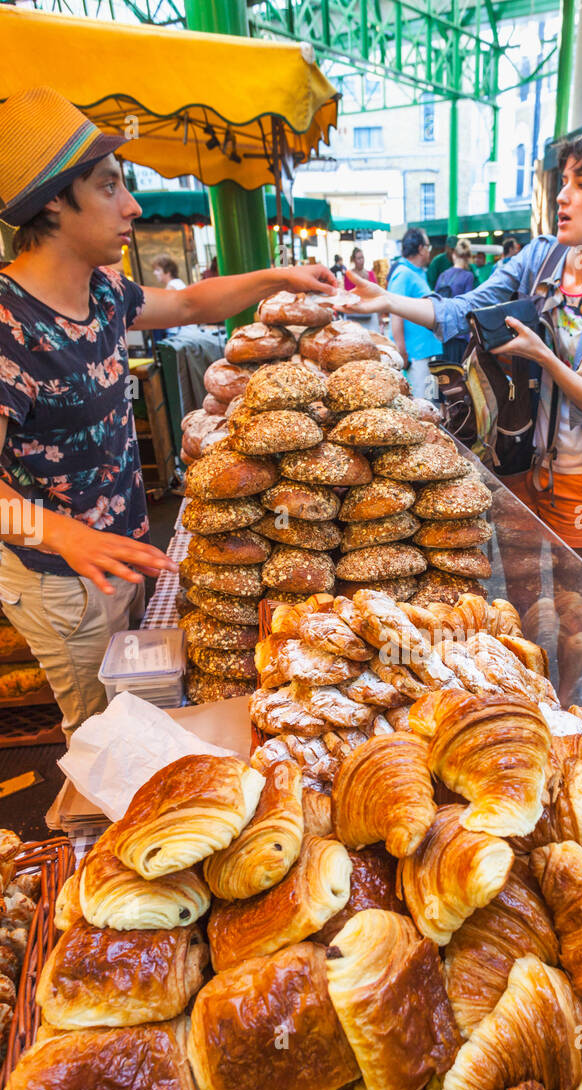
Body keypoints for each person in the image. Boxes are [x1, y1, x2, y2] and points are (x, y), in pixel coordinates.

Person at [0, 86, 337, 738]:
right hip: (60, 577)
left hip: (126, 551)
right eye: (108, 187)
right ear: (50, 204)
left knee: (145, 707)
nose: (132, 205)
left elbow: (187, 307)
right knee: (102, 734)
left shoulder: (103, 291)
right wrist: (67, 536)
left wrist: (277, 279)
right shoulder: (7, 325)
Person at [346, 123, 582, 566]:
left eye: (581, 183)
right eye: (564, 181)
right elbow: (464, 309)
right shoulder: (539, 256)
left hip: (578, 471)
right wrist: (388, 300)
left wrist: (544, 357)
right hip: (514, 454)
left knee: (574, 619)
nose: (562, 195)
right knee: (519, 596)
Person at [385, 227, 442, 399]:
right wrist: (402, 352)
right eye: (428, 246)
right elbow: (395, 313)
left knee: (431, 404)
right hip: (415, 357)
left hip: (427, 353)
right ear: (420, 248)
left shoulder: (418, 273)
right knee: (421, 404)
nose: (429, 251)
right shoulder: (403, 274)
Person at [434, 238, 475, 364]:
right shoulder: (468, 276)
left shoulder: (443, 275)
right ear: (468, 257)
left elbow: (435, 300)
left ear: (453, 255)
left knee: (442, 376)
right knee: (457, 376)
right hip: (459, 333)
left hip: (441, 333)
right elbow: (469, 306)